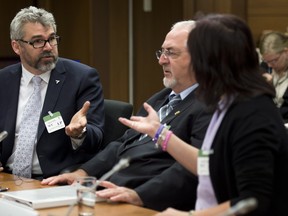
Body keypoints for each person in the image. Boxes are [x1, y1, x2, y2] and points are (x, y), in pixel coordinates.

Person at [119, 14, 288, 216]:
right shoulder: (226, 101)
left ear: (215, 62)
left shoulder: (253, 112)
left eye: (194, 57)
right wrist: (159, 132)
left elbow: (252, 201)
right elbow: (209, 164)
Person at [41, 20, 212, 211]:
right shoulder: (161, 98)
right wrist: (83, 172)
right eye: (161, 52)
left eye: (170, 53)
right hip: (108, 192)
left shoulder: (210, 106)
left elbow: (194, 169)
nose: (161, 60)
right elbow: (122, 145)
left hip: (150, 202)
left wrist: (140, 195)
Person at [0, 6, 105, 179]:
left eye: (52, 39)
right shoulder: (4, 80)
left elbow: (98, 139)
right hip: (8, 177)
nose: (48, 47)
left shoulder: (82, 78)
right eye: (38, 41)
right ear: (17, 47)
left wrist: (80, 133)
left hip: (54, 179)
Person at [259, 31, 288, 122]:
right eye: (267, 61)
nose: (270, 65)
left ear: (286, 52)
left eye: (274, 60)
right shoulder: (265, 68)